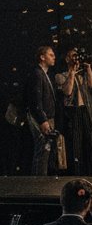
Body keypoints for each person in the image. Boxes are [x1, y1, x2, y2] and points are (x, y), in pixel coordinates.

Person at [55, 47, 92, 176]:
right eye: (73, 56)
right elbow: (67, 91)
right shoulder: (60, 76)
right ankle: (76, 174)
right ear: (67, 59)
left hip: (86, 111)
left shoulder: (82, 75)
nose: (76, 58)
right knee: (76, 145)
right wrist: (72, 71)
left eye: (77, 56)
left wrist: (88, 68)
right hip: (73, 113)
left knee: (91, 143)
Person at [25, 45, 58, 176]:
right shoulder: (37, 74)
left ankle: (40, 182)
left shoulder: (43, 74)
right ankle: (38, 184)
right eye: (50, 54)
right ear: (42, 57)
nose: (54, 57)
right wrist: (43, 120)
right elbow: (36, 101)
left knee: (45, 151)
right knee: (42, 151)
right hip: (42, 118)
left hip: (46, 117)